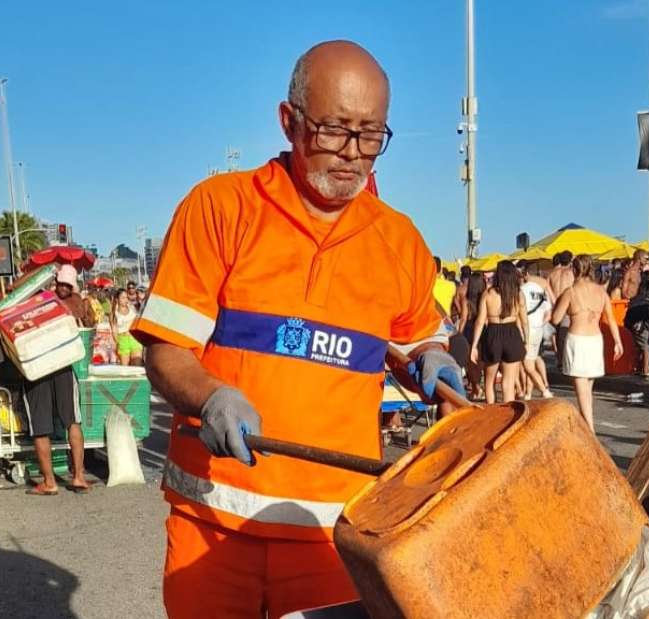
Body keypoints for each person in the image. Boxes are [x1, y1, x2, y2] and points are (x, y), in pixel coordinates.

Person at [131, 40, 464, 618]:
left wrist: (431, 358)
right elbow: (166, 350)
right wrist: (210, 396)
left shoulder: (399, 240)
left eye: (371, 135)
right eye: (334, 130)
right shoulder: (220, 208)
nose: (353, 154)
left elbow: (417, 339)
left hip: (334, 530)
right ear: (289, 121)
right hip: (214, 521)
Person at [23, 267, 92, 496]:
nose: (63, 288)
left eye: (66, 285)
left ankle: (55, 481)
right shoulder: (76, 302)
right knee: (69, 421)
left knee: (43, 425)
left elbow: (15, 291)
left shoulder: (44, 299)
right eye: (61, 283)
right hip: (59, 365)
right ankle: (74, 477)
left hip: (40, 366)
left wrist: (36, 277)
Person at [552, 255, 623, 431]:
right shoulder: (601, 292)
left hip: (577, 340)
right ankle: (587, 426)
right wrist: (617, 341)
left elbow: (556, 319)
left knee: (582, 391)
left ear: (574, 270)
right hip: (595, 340)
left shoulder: (570, 292)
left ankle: (589, 430)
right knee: (587, 390)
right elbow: (611, 319)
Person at [470, 260, 527, 404]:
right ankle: (508, 413)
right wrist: (526, 340)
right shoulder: (518, 294)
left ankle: (492, 411)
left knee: (489, 381)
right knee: (508, 383)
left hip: (493, 333)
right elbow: (525, 321)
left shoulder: (488, 294)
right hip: (512, 333)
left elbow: (480, 321)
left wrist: (474, 345)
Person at [518, 262, 554, 399]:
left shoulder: (521, 290)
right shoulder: (541, 291)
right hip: (538, 330)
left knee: (528, 366)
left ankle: (544, 390)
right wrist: (539, 323)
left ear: (526, 274)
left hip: (526, 330)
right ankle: (528, 393)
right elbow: (548, 314)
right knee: (531, 361)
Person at [459, 272, 486, 400]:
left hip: (469, 330)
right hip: (482, 329)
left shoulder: (466, 300)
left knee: (469, 362)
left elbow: (463, 318)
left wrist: (459, 333)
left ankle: (476, 388)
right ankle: (478, 388)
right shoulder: (485, 297)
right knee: (480, 361)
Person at [548, 251, 574, 366]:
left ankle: (560, 360)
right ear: (570, 261)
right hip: (566, 306)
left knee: (558, 335)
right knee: (566, 335)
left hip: (554, 306)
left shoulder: (551, 274)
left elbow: (547, 291)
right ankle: (566, 360)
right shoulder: (571, 273)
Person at [111, 288, 143, 366]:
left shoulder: (132, 307)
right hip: (123, 340)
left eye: (126, 297)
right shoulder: (114, 313)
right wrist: (117, 343)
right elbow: (114, 331)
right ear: (117, 299)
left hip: (134, 338)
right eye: (123, 298)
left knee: (137, 365)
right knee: (125, 368)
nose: (125, 300)